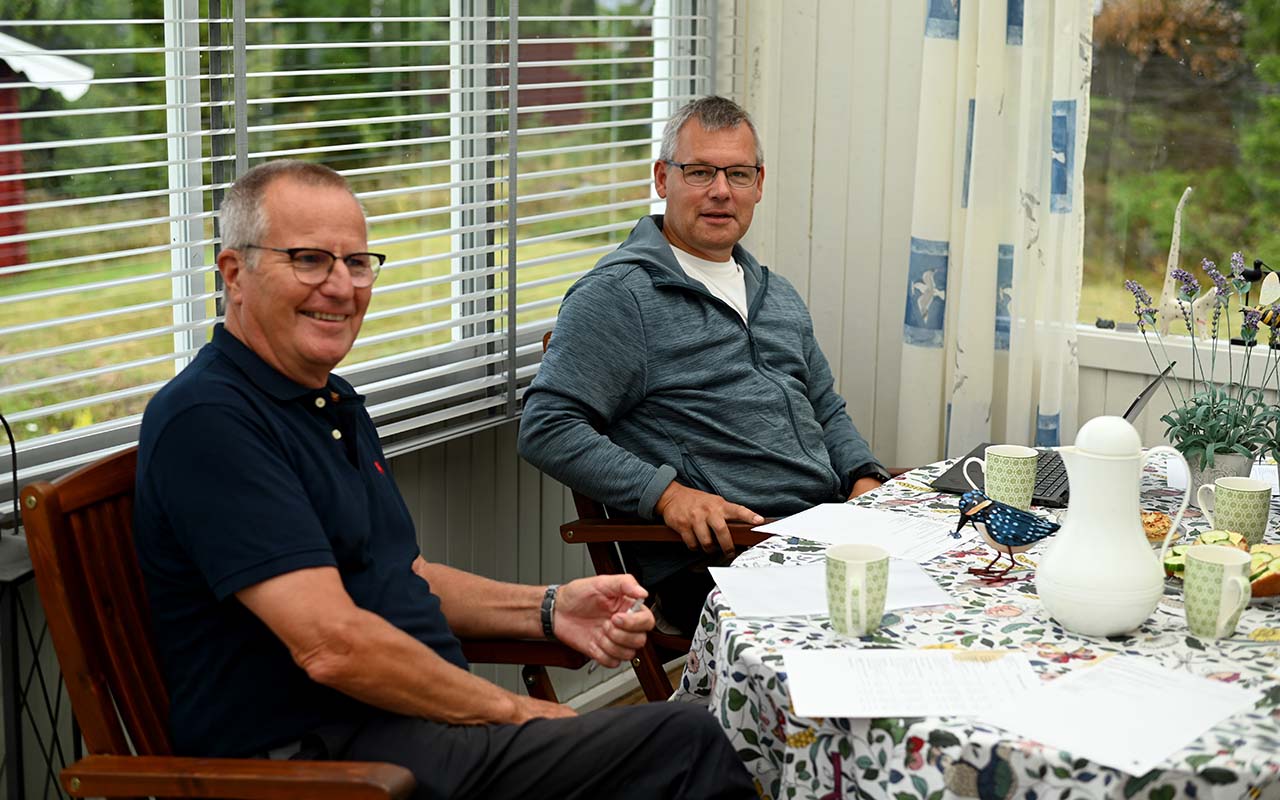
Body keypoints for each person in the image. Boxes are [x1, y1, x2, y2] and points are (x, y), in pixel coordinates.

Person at [133, 160, 756, 800]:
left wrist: (549, 608)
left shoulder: (328, 401)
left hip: (410, 733)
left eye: (356, 263)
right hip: (329, 767)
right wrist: (513, 711)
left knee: (679, 742)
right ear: (235, 273)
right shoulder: (210, 420)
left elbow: (404, 574)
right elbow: (332, 646)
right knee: (686, 742)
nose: (341, 286)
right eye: (310, 260)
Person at [519, 96, 889, 635]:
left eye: (738, 174)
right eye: (700, 172)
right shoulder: (619, 297)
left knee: (978, 580)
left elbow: (825, 408)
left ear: (759, 184)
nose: (721, 190)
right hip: (724, 562)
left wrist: (864, 478)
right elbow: (546, 427)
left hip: (823, 533)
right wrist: (668, 496)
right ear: (662, 178)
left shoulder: (776, 294)